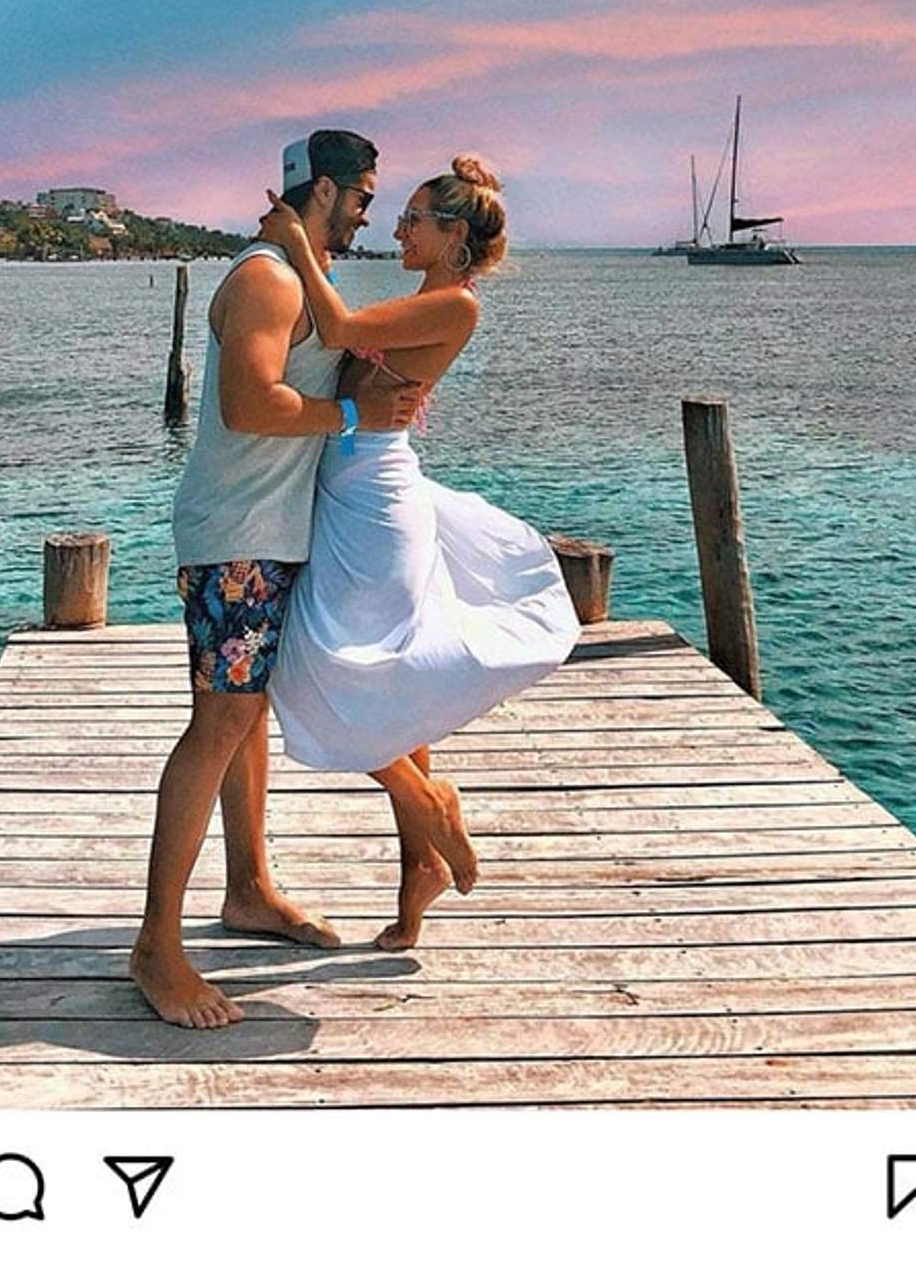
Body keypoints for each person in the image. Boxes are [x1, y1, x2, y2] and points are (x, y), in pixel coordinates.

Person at [130, 129, 423, 1030]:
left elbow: (321, 358)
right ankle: (155, 949)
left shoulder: (298, 276)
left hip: (268, 531)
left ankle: (249, 889)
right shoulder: (267, 276)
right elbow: (248, 402)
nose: (372, 210)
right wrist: (349, 409)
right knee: (218, 721)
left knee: (244, 714)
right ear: (326, 191)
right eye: (365, 195)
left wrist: (365, 376)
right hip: (237, 537)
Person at [261, 156, 579, 951]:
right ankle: (416, 881)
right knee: (388, 679)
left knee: (320, 662)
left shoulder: (455, 309)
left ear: (455, 239)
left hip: (374, 500)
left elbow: (336, 329)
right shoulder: (422, 300)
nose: (397, 228)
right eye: (397, 214)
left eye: (413, 218)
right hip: (349, 483)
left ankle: (424, 799)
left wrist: (296, 240)